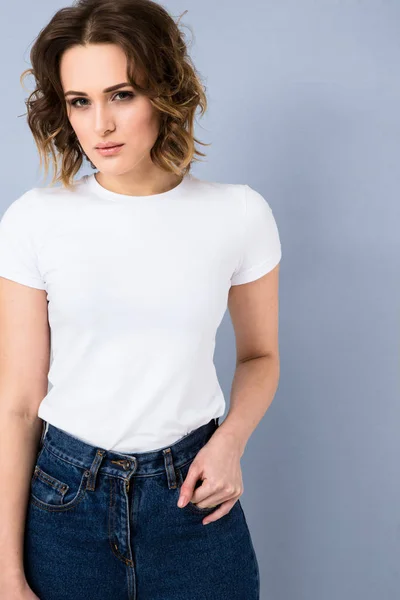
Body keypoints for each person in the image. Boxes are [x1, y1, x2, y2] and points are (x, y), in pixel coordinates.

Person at [0, 0, 282, 598]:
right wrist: (6, 572)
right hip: (64, 505)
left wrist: (230, 442)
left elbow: (260, 356)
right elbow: (19, 404)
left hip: (193, 501)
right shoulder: (34, 220)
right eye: (80, 101)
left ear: (165, 92)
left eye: (122, 94)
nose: (100, 123)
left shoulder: (239, 213)